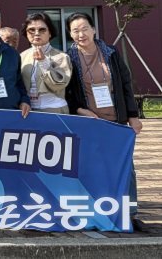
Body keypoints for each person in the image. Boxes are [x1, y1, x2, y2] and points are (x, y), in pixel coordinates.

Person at [64, 12, 145, 231]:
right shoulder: (68, 58)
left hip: (116, 121)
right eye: (75, 30)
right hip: (89, 123)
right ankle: (95, 213)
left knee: (125, 168)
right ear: (70, 34)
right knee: (91, 167)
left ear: (94, 29)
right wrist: (81, 110)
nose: (81, 34)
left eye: (84, 28)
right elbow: (67, 93)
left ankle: (130, 213)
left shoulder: (110, 52)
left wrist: (133, 116)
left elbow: (125, 83)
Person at [20, 12, 71, 114]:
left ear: (50, 33)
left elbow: (59, 84)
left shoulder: (61, 57)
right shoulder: (22, 56)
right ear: (26, 33)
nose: (36, 33)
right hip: (28, 110)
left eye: (42, 30)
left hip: (54, 109)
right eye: (31, 30)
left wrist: (44, 62)